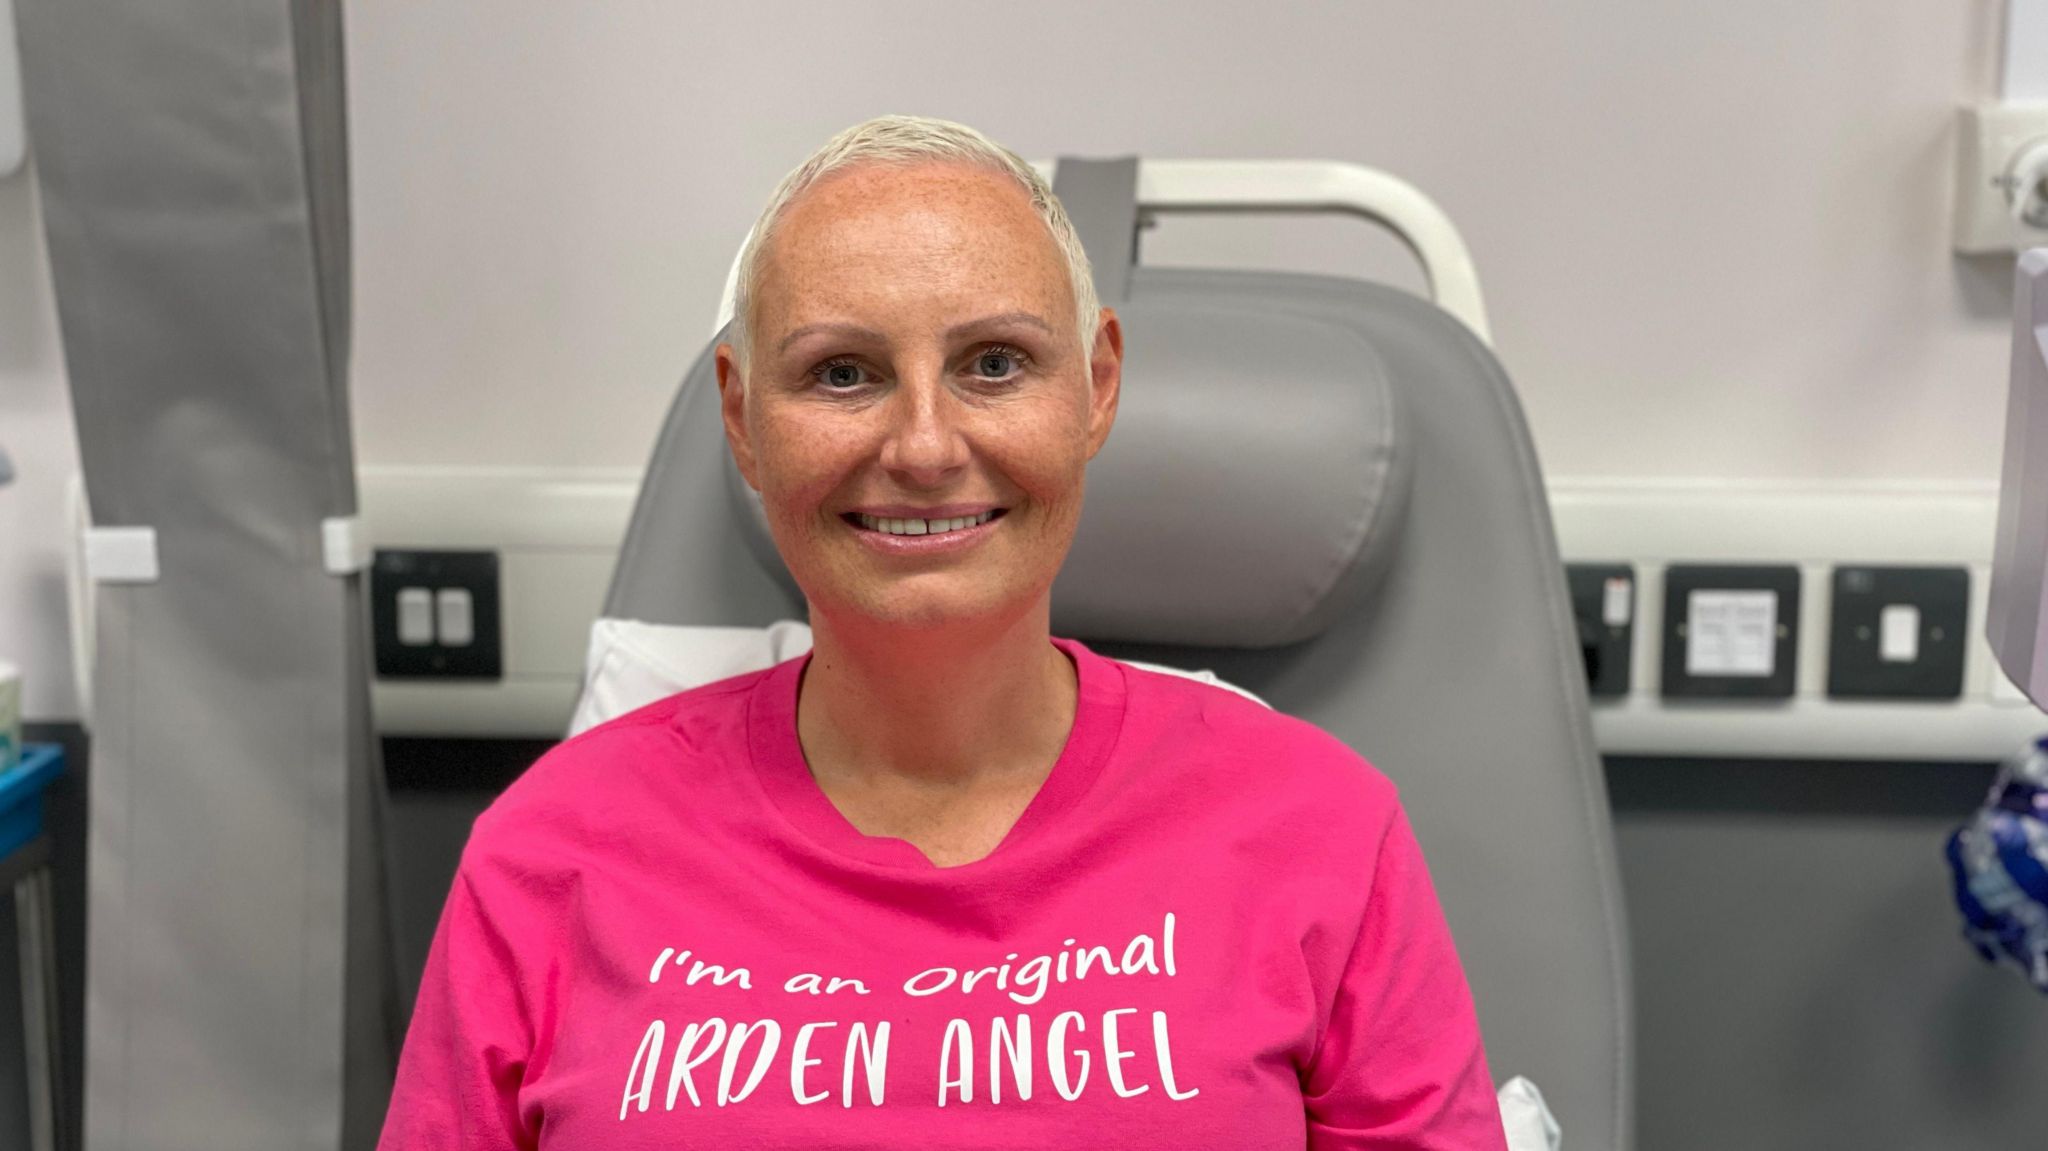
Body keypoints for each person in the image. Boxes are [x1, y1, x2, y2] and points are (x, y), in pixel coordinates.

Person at [378, 114, 1508, 1149]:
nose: (922, 445)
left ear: (1097, 386)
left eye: (994, 363)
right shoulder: (552, 853)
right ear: (742, 417)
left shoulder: (1317, 829)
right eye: (842, 373)